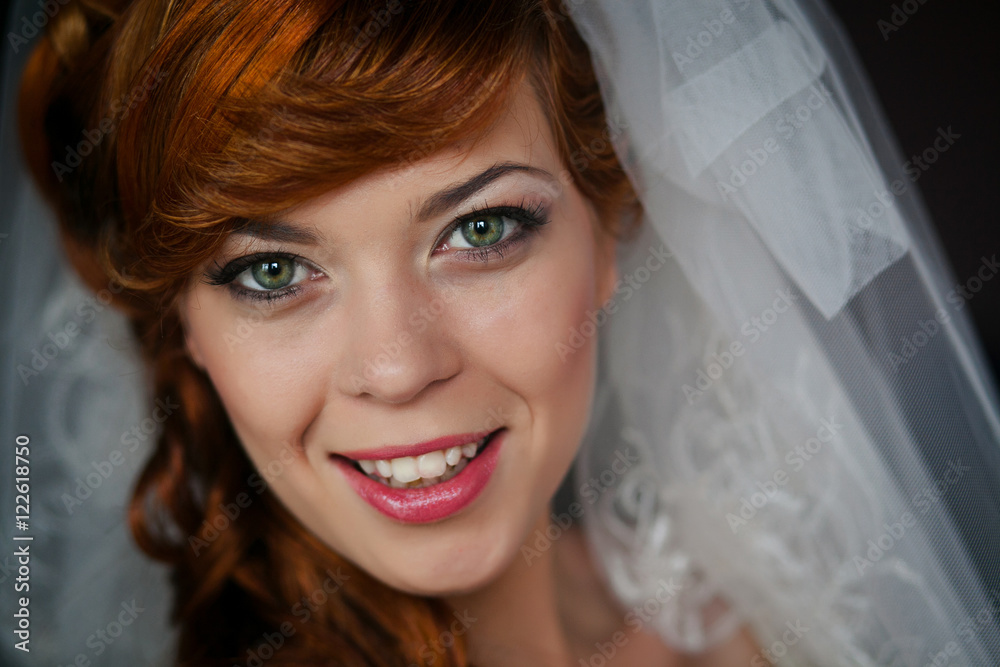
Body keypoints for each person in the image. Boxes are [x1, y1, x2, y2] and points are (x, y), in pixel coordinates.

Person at [2, 0, 998, 665]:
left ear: (611, 226)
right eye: (273, 272)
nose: (395, 368)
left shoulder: (756, 598)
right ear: (186, 325)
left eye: (480, 231)